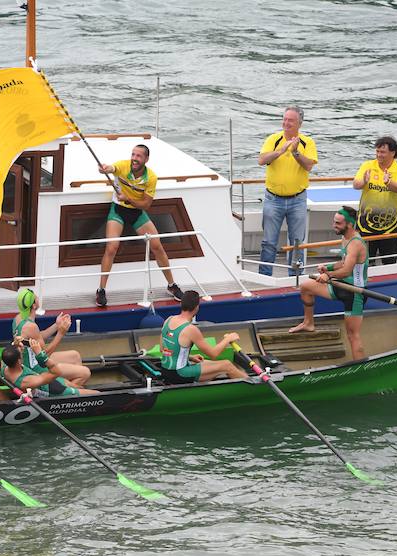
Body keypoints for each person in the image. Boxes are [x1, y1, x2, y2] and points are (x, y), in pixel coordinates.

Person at [94, 144, 184, 307]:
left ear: (146, 159)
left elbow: (146, 205)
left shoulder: (151, 177)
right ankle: (101, 290)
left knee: (157, 246)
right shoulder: (122, 166)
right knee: (112, 247)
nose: (134, 158)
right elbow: (110, 168)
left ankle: (171, 285)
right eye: (133, 155)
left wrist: (128, 199)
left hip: (137, 212)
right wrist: (105, 169)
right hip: (118, 211)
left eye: (138, 156)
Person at [288, 206, 369, 360]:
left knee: (353, 335)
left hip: (355, 293)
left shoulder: (356, 243)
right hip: (340, 285)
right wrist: (328, 267)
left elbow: (347, 270)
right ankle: (308, 323)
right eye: (334, 222)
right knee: (306, 287)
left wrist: (328, 275)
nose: (334, 225)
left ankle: (360, 368)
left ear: (350, 224)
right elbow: (343, 263)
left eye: (338, 223)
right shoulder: (345, 238)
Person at [257, 106, 319, 276]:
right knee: (268, 242)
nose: (286, 123)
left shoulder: (308, 142)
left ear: (300, 123)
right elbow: (261, 160)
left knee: (297, 242)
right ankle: (264, 276)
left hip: (297, 199)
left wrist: (296, 152)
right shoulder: (273, 139)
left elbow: (308, 166)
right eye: (284, 119)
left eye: (290, 120)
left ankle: (296, 277)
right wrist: (281, 150)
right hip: (273, 199)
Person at [158, 290, 247, 384]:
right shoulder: (190, 329)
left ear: (182, 304)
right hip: (179, 374)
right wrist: (228, 339)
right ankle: (255, 384)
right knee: (227, 365)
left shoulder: (169, 319)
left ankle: (244, 377)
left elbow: (163, 349)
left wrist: (190, 357)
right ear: (197, 307)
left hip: (166, 371)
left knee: (207, 362)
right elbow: (213, 354)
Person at [13, 288, 90, 386]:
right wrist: (61, 333)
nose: (38, 298)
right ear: (34, 305)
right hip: (36, 367)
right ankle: (65, 389)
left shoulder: (18, 318)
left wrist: (57, 325)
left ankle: (68, 384)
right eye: (36, 297)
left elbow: (38, 336)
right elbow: (45, 354)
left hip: (29, 360)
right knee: (85, 373)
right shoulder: (31, 326)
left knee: (75, 356)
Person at [353, 136, 397, 264]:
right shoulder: (367, 166)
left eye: (382, 152)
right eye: (377, 151)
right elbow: (355, 185)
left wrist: (389, 183)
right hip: (365, 222)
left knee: (389, 259)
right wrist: (364, 181)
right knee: (363, 259)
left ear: (393, 153)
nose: (379, 155)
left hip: (390, 224)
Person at [2, 339, 98, 397]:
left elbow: (9, 350)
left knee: (79, 387)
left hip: (48, 381)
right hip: (54, 391)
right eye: (21, 352)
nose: (23, 350)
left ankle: (77, 390)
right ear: (19, 361)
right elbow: (56, 372)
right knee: (97, 394)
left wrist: (15, 342)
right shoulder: (27, 381)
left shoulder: (5, 365)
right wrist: (40, 354)